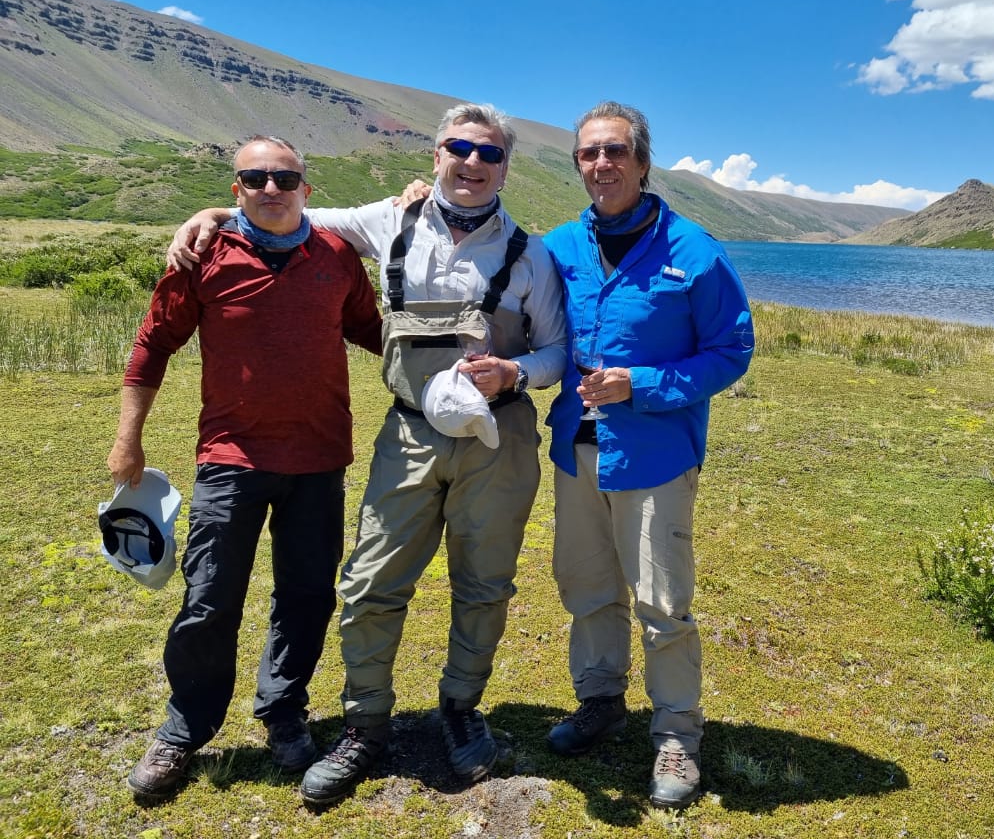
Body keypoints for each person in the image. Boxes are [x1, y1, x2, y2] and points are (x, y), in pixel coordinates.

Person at [166, 103, 566, 806]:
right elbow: (285, 213)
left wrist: (517, 373)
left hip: (498, 443)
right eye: (458, 148)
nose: (472, 163)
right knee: (370, 582)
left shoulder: (532, 255)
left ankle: (461, 709)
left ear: (507, 165)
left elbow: (558, 350)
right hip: (408, 435)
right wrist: (214, 214)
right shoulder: (386, 220)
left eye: (489, 153)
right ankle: (365, 726)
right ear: (435, 155)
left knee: (485, 585)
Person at [111, 135, 383, 801]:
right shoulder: (203, 254)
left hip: (319, 460)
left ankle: (284, 712)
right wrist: (128, 441)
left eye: (284, 176)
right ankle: (184, 729)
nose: (270, 187)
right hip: (230, 460)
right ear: (236, 189)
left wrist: (463, 360)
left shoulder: (338, 256)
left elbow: (377, 333)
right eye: (255, 177)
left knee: (307, 595)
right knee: (208, 600)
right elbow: (153, 347)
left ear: (306, 188)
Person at [541, 101, 754, 809]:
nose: (602, 164)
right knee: (588, 590)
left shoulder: (694, 250)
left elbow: (731, 351)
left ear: (641, 161)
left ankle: (677, 735)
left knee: (662, 602)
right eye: (589, 154)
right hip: (575, 453)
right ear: (578, 164)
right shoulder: (559, 248)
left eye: (615, 152)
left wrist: (644, 384)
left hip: (656, 455)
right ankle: (600, 702)